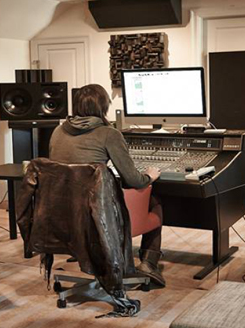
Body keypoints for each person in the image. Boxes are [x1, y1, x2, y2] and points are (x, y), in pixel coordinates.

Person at [48, 84, 166, 287]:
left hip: (64, 214)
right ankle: (148, 263)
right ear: (104, 106)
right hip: (98, 216)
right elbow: (133, 180)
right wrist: (149, 176)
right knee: (154, 202)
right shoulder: (109, 134)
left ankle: (86, 251)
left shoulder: (58, 131)